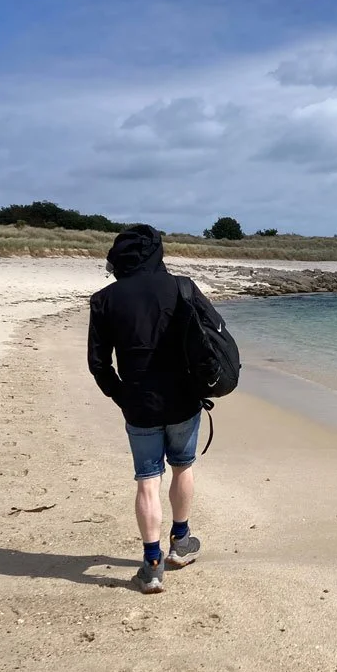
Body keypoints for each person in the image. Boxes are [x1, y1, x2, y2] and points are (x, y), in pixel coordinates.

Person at [88, 224, 210, 594]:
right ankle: (181, 541)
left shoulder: (105, 298)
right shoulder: (181, 287)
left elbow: (98, 364)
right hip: (183, 399)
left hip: (138, 403)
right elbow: (209, 341)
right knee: (182, 468)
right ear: (158, 252)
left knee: (147, 480)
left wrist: (121, 395)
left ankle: (152, 563)